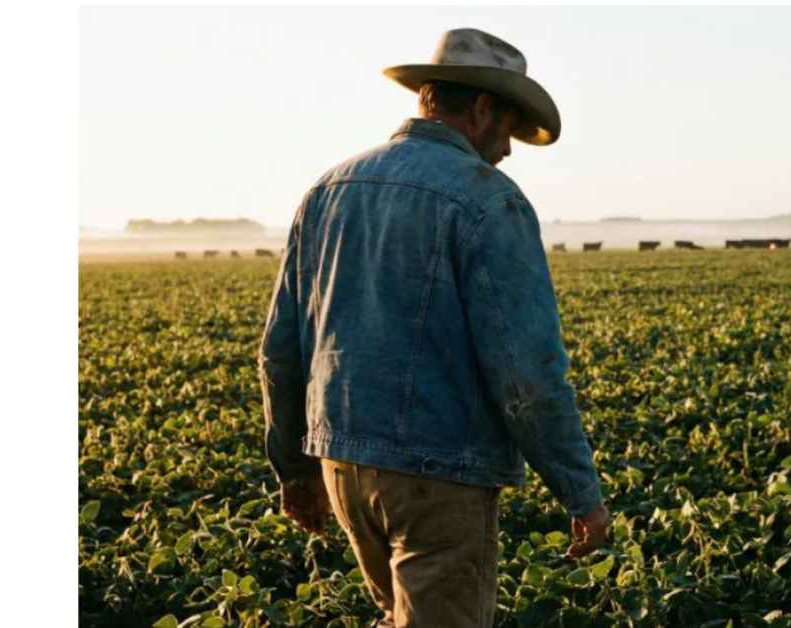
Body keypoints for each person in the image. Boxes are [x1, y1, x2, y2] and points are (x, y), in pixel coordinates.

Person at [257, 28, 609, 627]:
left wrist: (294, 470)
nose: (508, 150)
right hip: (438, 478)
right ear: (482, 108)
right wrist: (580, 492)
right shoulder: (489, 199)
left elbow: (279, 353)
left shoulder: (328, 189)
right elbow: (527, 376)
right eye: (509, 129)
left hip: (342, 467)